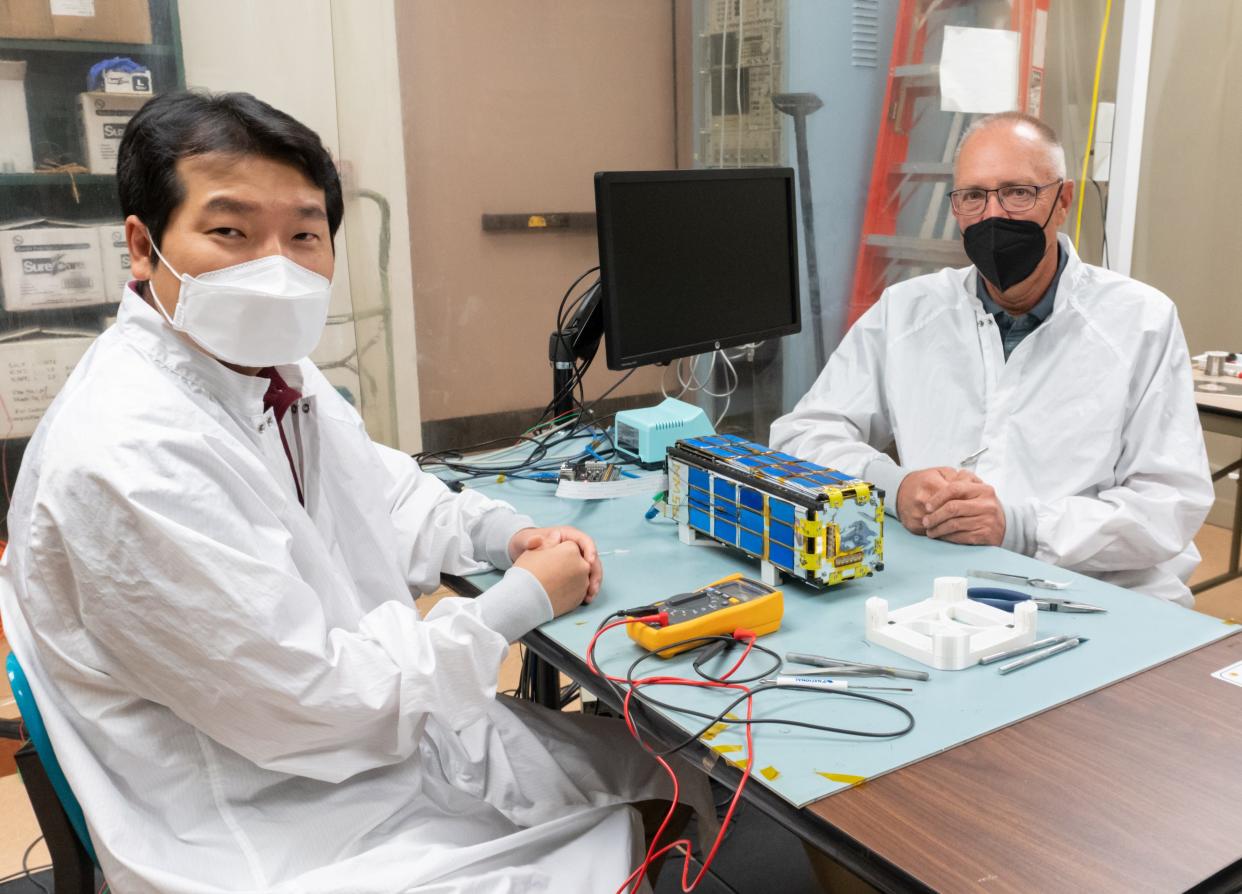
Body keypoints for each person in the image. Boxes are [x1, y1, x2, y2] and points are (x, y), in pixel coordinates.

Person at [0, 90, 705, 893]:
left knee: (664, 772)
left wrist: (504, 534)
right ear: (142, 244)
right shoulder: (124, 456)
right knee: (627, 814)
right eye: (231, 231)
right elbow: (312, 703)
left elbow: (388, 494)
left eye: (304, 235)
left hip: (357, 742)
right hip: (266, 814)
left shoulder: (266, 376)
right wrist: (514, 605)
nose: (276, 268)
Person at [771, 111, 1212, 606]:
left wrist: (1020, 527)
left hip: (1096, 596)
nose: (993, 215)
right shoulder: (907, 310)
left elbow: (1169, 504)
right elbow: (801, 436)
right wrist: (892, 487)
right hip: (939, 591)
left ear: (1061, 201)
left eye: (1018, 193)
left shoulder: (1140, 321)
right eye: (974, 196)